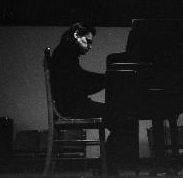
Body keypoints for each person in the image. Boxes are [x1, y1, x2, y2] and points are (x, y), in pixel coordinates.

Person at [50, 22, 137, 175]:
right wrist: (108, 78)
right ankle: (107, 167)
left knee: (122, 116)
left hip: (73, 105)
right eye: (88, 41)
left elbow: (80, 81)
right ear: (76, 35)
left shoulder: (63, 53)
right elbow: (81, 81)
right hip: (72, 108)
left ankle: (105, 166)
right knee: (125, 118)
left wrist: (105, 79)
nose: (90, 46)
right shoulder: (64, 54)